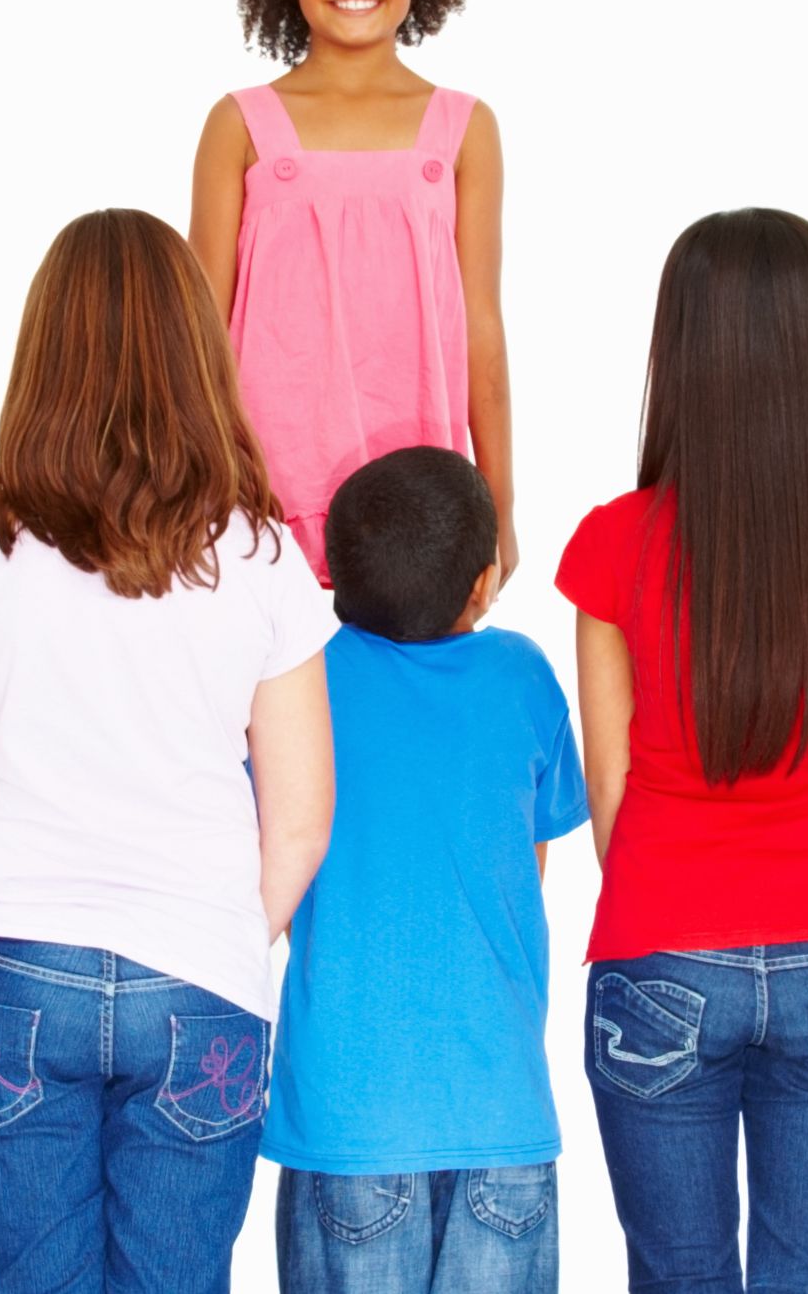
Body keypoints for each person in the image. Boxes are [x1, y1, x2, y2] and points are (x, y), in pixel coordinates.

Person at [0, 209, 340, 1293]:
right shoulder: (259, 553)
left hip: (13, 968)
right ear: (197, 349)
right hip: (198, 972)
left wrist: (17, 902)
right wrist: (229, 925)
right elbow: (299, 815)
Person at [558, 208, 808, 1294]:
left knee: (676, 1279)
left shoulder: (614, 543)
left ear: (679, 355)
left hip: (658, 947)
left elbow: (611, 801)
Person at [261, 445, 586, 1294]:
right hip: (500, 1114)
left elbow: (282, 872)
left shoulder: (299, 683)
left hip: (349, 1116)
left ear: (330, 572)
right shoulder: (520, 674)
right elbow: (529, 865)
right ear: (482, 582)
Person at [183, 0, 513, 584]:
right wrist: (188, 488)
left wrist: (498, 499)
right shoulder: (240, 125)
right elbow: (193, 326)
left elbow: (482, 328)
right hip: (257, 484)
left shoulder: (463, 128)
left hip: (420, 491)